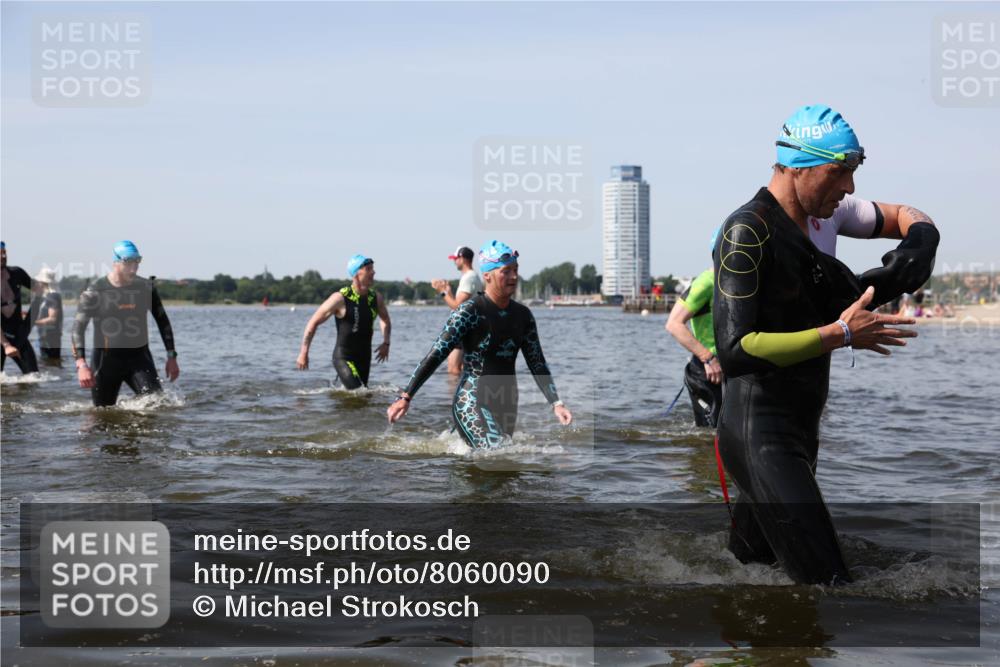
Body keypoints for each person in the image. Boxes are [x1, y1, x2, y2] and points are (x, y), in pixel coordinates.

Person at [713, 104, 938, 585]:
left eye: (853, 174)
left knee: (746, 576)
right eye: (839, 173)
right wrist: (842, 333)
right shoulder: (745, 232)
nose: (849, 189)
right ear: (798, 165)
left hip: (801, 428)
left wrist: (924, 237)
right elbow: (734, 349)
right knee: (832, 588)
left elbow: (903, 215)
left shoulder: (827, 216)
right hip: (759, 432)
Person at [387, 240, 572, 449]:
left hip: (507, 400)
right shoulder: (469, 311)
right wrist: (406, 396)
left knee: (501, 468)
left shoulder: (523, 316)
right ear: (487, 275)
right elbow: (437, 353)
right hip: (472, 398)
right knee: (495, 453)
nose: (513, 277)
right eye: (506, 271)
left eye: (516, 270)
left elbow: (537, 362)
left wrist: (556, 404)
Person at [72, 240, 180, 406]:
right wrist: (81, 364)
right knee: (102, 417)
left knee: (158, 405)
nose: (134, 267)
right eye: (128, 262)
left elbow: (163, 321)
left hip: (139, 358)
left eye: (137, 261)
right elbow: (78, 329)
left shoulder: (146, 287)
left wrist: (171, 357)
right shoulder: (95, 291)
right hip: (106, 361)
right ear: (115, 262)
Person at [296, 254, 391, 389]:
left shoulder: (376, 298)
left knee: (362, 397)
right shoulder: (340, 299)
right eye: (369, 269)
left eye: (373, 269)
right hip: (344, 357)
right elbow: (313, 322)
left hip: (364, 357)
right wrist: (304, 353)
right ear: (357, 273)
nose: (373, 272)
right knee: (358, 391)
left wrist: (386, 343)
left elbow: (385, 320)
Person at [665, 266, 722, 427]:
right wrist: (708, 358)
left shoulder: (739, 280)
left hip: (729, 370)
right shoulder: (706, 281)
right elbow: (673, 324)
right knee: (709, 435)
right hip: (708, 371)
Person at [431, 246, 483, 374]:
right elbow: (462, 303)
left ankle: (455, 393)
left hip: (463, 327)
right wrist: (448, 291)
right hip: (469, 327)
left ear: (463, 259)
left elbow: (457, 306)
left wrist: (442, 292)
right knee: (460, 367)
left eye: (456, 259)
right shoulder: (471, 276)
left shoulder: (469, 277)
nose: (454, 261)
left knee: (453, 368)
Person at [1, 241, 39, 375]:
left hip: (18, 333)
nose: (3, 256)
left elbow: (40, 292)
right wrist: (6, 345)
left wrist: (27, 326)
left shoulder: (17, 273)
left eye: (4, 253)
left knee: (34, 377)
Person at [30, 267, 63, 365]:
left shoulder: (52, 296)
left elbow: (52, 319)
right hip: (45, 338)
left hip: (50, 339)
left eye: (39, 281)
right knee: (47, 364)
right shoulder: (47, 297)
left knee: (49, 365)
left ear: (43, 282)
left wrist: (33, 322)